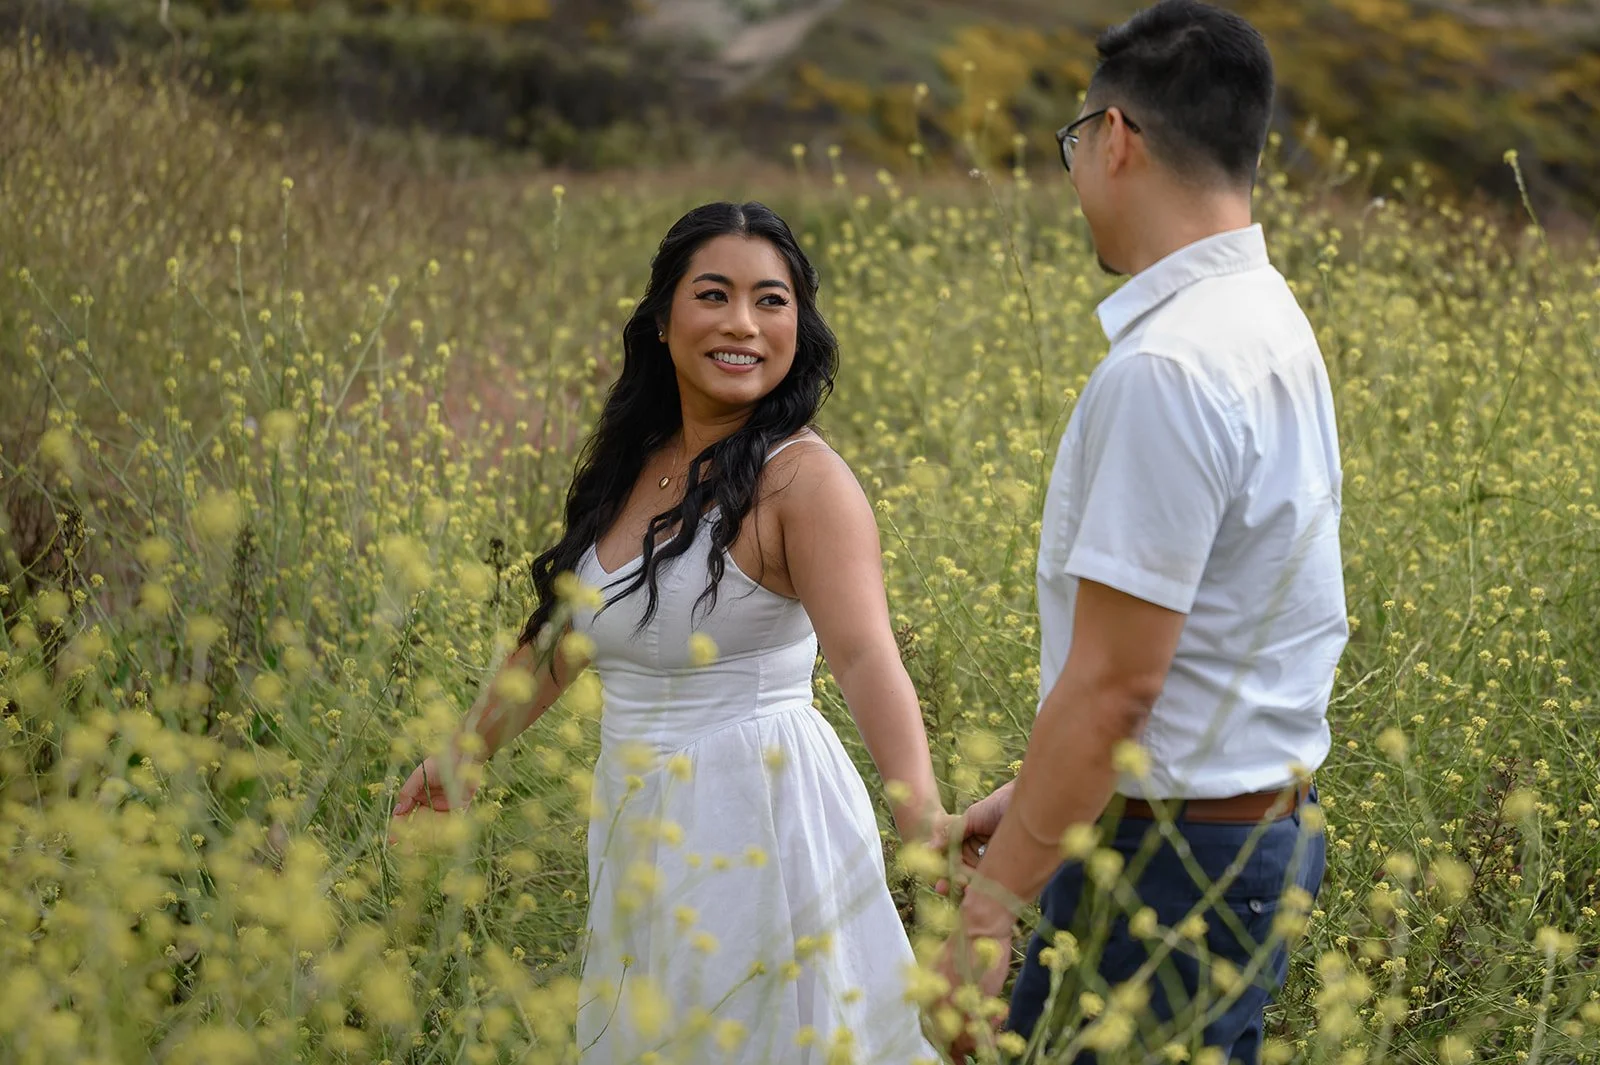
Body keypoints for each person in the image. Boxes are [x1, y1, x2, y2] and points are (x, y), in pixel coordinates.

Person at [390, 201, 946, 1064]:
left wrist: (924, 819)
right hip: (637, 819)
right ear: (661, 320)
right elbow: (561, 638)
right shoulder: (635, 463)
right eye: (714, 295)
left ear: (801, 321)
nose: (743, 324)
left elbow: (869, 656)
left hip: (762, 814)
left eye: (772, 300)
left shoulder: (803, 481)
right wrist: (462, 754)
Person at [933, 1, 1346, 1060]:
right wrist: (1038, 792)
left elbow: (1121, 684)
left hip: (1169, 865)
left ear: (1113, 138)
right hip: (1244, 838)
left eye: (1075, 146)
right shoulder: (1266, 318)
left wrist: (990, 911)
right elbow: (1218, 623)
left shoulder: (1167, 367)